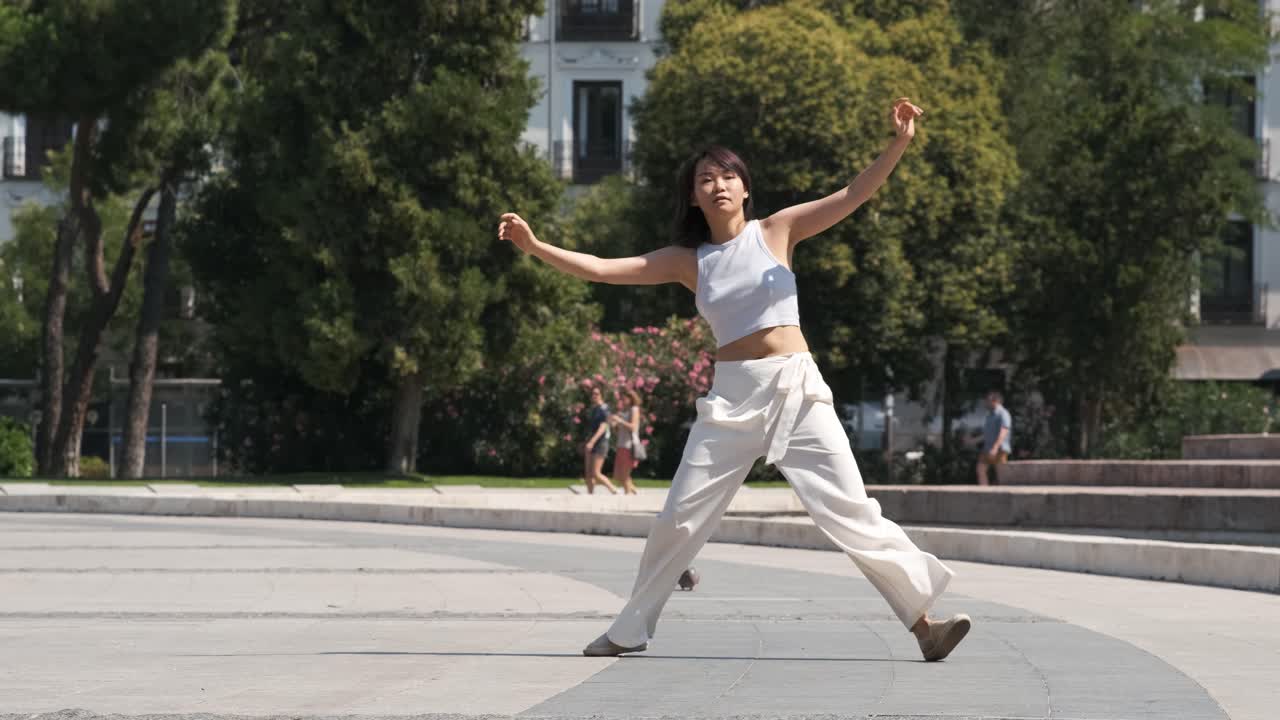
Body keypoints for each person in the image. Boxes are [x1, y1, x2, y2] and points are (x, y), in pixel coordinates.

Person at [499, 98, 970, 663]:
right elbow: (602, 268)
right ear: (694, 196)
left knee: (850, 509)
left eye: (727, 176)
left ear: (745, 189)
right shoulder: (689, 261)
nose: (717, 184)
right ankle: (628, 630)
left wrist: (898, 142)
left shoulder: (779, 230)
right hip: (732, 398)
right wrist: (534, 246)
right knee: (678, 515)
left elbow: (853, 194)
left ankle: (926, 627)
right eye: (705, 178)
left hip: (797, 390)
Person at [583, 386, 619, 495]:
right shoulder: (594, 409)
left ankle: (614, 490)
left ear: (601, 395)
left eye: (597, 393)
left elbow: (603, 427)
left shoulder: (604, 409)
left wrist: (592, 441)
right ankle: (590, 495)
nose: (594, 395)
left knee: (596, 473)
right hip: (592, 442)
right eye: (593, 393)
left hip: (601, 443)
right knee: (588, 473)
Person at [610, 388, 645, 495]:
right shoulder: (625, 411)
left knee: (623, 476)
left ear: (631, 399)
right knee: (619, 475)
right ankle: (634, 492)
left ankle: (628, 495)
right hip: (621, 444)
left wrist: (620, 420)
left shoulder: (634, 409)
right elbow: (620, 430)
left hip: (629, 445)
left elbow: (633, 427)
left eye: (624, 398)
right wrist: (615, 425)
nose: (623, 400)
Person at [976, 390, 1012, 486]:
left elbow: (1004, 431)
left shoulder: (1003, 413)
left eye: (988, 401)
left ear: (995, 401)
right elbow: (987, 434)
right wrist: (972, 441)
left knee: (1001, 475)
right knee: (980, 469)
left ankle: (1000, 494)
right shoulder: (989, 416)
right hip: (987, 448)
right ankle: (984, 492)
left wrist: (995, 447)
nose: (986, 403)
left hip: (999, 449)